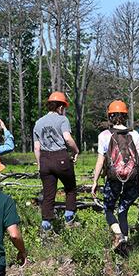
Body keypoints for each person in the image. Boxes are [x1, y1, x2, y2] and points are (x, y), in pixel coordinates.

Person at [91, 100, 139, 253]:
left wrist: (95, 181)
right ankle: (125, 244)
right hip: (132, 178)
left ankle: (118, 235)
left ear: (110, 116)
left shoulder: (104, 135)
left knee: (108, 209)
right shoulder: (134, 134)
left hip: (113, 178)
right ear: (125, 116)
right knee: (123, 209)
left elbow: (101, 160)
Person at [33, 91, 80, 231]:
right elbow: (67, 138)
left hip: (45, 159)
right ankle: (69, 219)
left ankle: (46, 227)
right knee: (70, 188)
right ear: (60, 107)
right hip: (60, 157)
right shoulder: (62, 119)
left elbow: (37, 147)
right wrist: (76, 150)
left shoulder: (38, 123)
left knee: (48, 195)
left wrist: (40, 164)